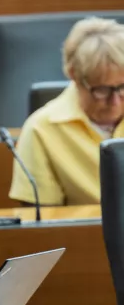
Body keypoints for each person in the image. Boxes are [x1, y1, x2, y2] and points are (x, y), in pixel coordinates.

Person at [10, 17, 124, 206]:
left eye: (122, 87)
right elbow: (43, 222)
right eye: (102, 90)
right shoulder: (41, 129)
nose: (115, 101)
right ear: (74, 75)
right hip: (83, 235)